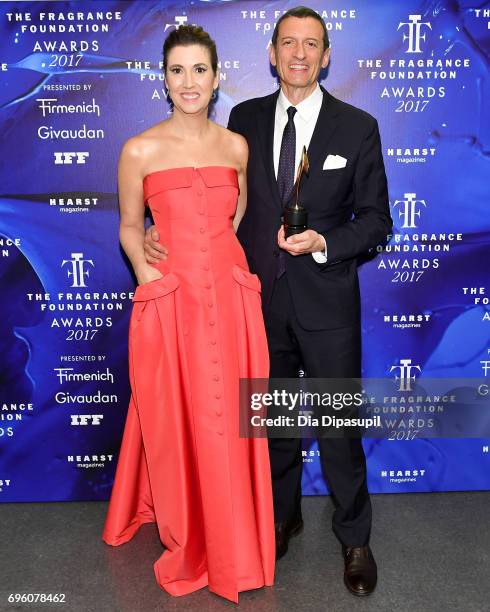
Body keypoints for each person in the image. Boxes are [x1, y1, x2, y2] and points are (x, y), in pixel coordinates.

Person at [144, 7, 392, 597]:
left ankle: (355, 538)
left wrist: (327, 241)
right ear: (272, 54)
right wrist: (161, 233)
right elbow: (220, 202)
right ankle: (281, 518)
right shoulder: (243, 120)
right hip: (255, 302)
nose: (299, 54)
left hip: (328, 303)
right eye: (288, 43)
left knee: (336, 428)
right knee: (273, 426)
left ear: (326, 56)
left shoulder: (357, 127)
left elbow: (378, 220)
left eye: (311, 44)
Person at [102, 25, 275, 604]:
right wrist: (149, 272)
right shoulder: (139, 149)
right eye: (177, 71)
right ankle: (194, 537)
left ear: (217, 76)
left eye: (200, 70)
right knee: (180, 420)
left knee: (231, 419)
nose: (189, 82)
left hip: (229, 300)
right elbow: (130, 225)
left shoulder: (236, 146)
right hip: (172, 302)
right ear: (164, 80)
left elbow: (234, 216)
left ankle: (238, 537)